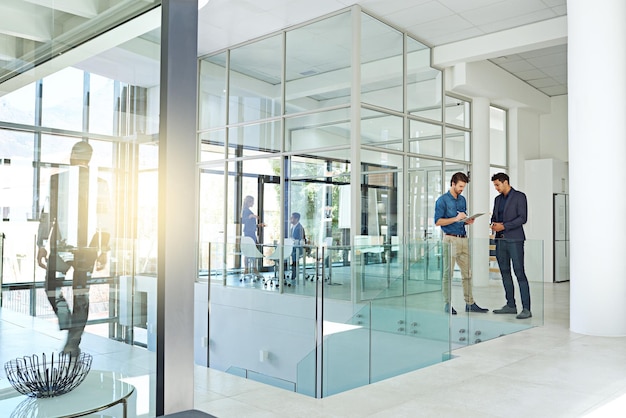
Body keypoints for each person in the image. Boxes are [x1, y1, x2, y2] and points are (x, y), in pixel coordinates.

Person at [37, 141, 111, 355]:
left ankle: (72, 340)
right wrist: (104, 249)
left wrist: (41, 244)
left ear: (72, 156)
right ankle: (72, 331)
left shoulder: (59, 180)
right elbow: (106, 220)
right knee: (79, 294)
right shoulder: (97, 183)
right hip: (85, 248)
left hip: (70, 247)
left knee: (54, 287)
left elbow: (46, 216)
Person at [434, 172, 488, 315]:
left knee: (467, 274)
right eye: (459, 186)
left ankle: (470, 303)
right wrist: (455, 218)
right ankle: (447, 304)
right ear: (452, 183)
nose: (461, 189)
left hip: (463, 238)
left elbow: (461, 219)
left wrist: (468, 221)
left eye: (463, 187)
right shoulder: (442, 200)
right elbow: (437, 221)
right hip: (450, 239)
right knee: (448, 274)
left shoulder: (462, 199)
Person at [490, 172, 532, 319]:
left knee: (519, 272)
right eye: (494, 185)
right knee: (505, 273)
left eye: (497, 184)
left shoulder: (520, 196)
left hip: (515, 240)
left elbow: (523, 218)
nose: (496, 188)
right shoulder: (497, 199)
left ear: (505, 182)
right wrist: (493, 224)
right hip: (500, 241)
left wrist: (504, 226)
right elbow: (494, 217)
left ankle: (526, 308)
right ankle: (510, 305)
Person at [241, 195, 265, 274]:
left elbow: (250, 225)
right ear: (248, 202)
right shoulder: (246, 211)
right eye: (252, 202)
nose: (253, 203)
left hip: (251, 233)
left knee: (253, 251)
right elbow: (244, 221)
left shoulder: (248, 211)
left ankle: (252, 268)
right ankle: (248, 269)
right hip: (248, 234)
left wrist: (259, 225)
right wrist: (250, 216)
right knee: (248, 251)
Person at [289, 212, 305, 280]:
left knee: (294, 256)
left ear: (296, 219)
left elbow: (301, 240)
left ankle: (294, 275)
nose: (290, 219)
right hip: (292, 247)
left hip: (298, 248)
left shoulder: (300, 228)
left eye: (292, 218)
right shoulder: (292, 228)